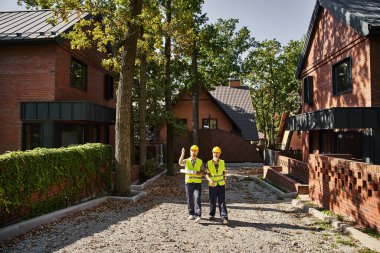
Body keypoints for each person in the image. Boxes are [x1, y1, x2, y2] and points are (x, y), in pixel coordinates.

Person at [178, 145, 204, 223]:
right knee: (189, 198)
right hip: (188, 183)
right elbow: (180, 163)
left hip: (197, 183)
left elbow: (202, 171)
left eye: (195, 151)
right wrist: (182, 154)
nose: (193, 152)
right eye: (192, 150)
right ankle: (191, 214)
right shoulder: (186, 160)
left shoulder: (200, 161)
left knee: (197, 198)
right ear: (190, 151)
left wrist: (198, 173)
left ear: (197, 152)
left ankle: (198, 215)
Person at [205, 146, 228, 225]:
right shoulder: (208, 163)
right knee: (212, 201)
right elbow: (207, 174)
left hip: (221, 185)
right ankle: (212, 214)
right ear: (212, 153)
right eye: (214, 152)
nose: (216, 154)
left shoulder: (222, 162)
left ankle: (224, 217)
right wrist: (210, 180)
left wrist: (225, 182)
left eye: (217, 153)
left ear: (220, 154)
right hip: (212, 185)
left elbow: (224, 173)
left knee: (222, 201)